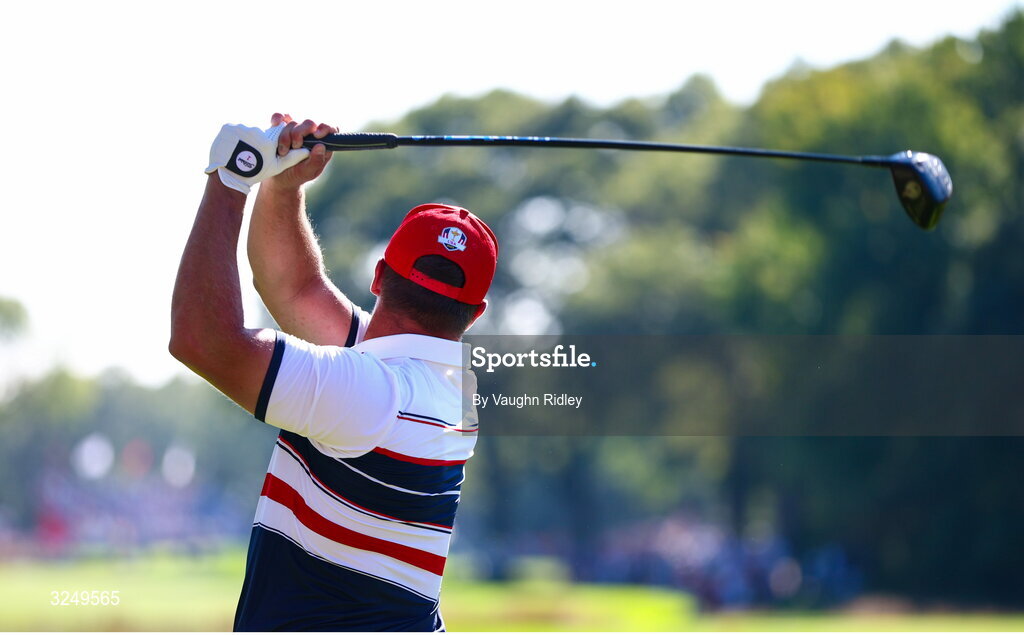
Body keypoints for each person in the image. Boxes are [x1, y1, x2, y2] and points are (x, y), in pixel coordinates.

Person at [169, 114, 498, 631]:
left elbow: (203, 342)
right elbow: (295, 289)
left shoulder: (372, 392)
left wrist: (231, 180)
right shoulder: (446, 387)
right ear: (475, 313)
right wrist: (283, 186)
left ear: (379, 274)